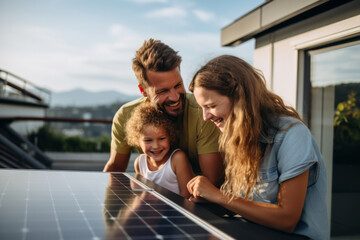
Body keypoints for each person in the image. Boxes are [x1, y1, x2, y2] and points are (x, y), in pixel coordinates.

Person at [186, 55, 329, 239]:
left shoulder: (292, 134)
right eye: (202, 108)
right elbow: (244, 205)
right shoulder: (239, 137)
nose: (206, 117)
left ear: (240, 99)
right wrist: (211, 201)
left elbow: (287, 220)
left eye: (211, 106)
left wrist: (219, 196)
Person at [103, 38, 224, 187]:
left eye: (178, 85)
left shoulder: (203, 114)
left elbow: (212, 182)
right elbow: (115, 169)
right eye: (163, 91)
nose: (174, 97)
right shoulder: (126, 116)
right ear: (143, 91)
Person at [125, 102, 193, 198]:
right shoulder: (140, 163)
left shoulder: (177, 159)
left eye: (161, 139)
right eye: (148, 140)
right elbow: (141, 196)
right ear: (137, 140)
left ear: (170, 137)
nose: (156, 146)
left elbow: (187, 196)